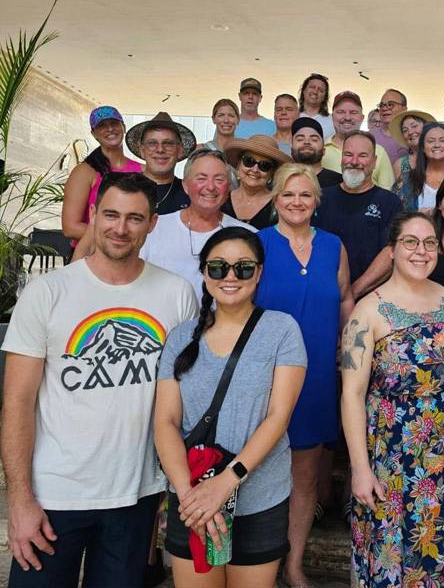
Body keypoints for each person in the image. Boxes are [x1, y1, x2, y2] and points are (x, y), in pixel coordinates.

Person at [1, 173, 198, 588]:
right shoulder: (47, 293)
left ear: (151, 224)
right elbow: (17, 402)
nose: (120, 228)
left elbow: (180, 397)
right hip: (55, 495)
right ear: (92, 216)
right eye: (110, 215)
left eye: (134, 218)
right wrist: (19, 499)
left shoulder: (177, 294)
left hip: (136, 494)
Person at [155, 227, 307, 588]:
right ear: (204, 272)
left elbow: (278, 417)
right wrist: (190, 496)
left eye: (243, 268)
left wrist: (226, 482)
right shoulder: (181, 336)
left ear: (259, 272)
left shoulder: (282, 330)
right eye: (219, 267)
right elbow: (165, 421)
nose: (230, 277)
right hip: (190, 493)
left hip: (258, 496)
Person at [341, 212, 444, 588]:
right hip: (390, 459)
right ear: (392, 250)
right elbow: (351, 394)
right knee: (389, 559)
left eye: (430, 242)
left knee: (434, 554)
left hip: (443, 461)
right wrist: (360, 469)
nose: (421, 251)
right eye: (410, 242)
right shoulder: (369, 311)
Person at [255, 164, 354, 588]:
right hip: (262, 375)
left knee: (306, 474)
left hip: (315, 377)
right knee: (255, 469)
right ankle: (254, 562)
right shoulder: (255, 244)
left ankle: (293, 564)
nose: (297, 202)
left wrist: (348, 349)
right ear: (274, 199)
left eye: (305, 195)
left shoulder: (333, 246)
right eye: (288, 194)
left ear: (317, 201)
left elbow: (346, 298)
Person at [140, 148, 255, 301]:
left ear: (228, 188)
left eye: (219, 180)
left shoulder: (248, 236)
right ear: (185, 185)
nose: (210, 187)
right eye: (201, 178)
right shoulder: (153, 228)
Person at [314, 131, 402, 291]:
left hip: (370, 298)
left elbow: (390, 253)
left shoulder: (390, 202)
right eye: (348, 154)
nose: (354, 162)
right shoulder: (321, 198)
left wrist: (351, 294)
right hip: (322, 292)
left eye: (362, 156)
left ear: (374, 162)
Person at [61, 105, 142, 244]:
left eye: (114, 123)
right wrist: (116, 239)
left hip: (131, 257)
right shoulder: (84, 172)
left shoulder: (142, 170)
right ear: (94, 134)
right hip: (90, 256)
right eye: (102, 126)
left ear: (123, 127)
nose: (110, 129)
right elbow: (70, 227)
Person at [126, 111, 196, 215]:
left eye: (168, 143)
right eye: (152, 143)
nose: (160, 149)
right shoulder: (123, 188)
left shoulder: (192, 194)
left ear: (180, 150)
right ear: (142, 150)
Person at [323, 91, 394, 189]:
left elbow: (388, 194)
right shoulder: (321, 152)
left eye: (353, 112)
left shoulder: (379, 151)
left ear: (362, 118)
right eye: (341, 112)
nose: (347, 117)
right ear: (332, 117)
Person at [221, 135, 291, 229]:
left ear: (271, 173)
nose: (255, 169)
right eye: (249, 161)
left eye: (264, 165)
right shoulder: (221, 200)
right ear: (238, 165)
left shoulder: (280, 206)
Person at [392, 122, 444, 212]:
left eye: (442, 140)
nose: (437, 145)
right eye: (431, 141)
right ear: (423, 148)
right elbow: (394, 214)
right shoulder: (406, 180)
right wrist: (417, 216)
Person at [291, 116, 343, 188]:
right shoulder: (281, 181)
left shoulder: (340, 183)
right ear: (291, 150)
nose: (307, 142)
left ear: (324, 150)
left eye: (314, 139)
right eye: (300, 139)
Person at [389, 108, 436, 182]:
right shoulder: (399, 164)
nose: (410, 132)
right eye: (405, 130)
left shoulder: (443, 156)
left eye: (414, 126)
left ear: (426, 127)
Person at [370, 89, 409, 163]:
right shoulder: (369, 137)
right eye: (381, 105)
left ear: (404, 109)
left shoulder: (412, 137)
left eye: (390, 104)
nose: (384, 108)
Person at [298, 73, 334, 139]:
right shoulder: (292, 118)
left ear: (324, 97)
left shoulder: (333, 121)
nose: (315, 92)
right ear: (304, 91)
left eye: (321, 90)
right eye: (312, 87)